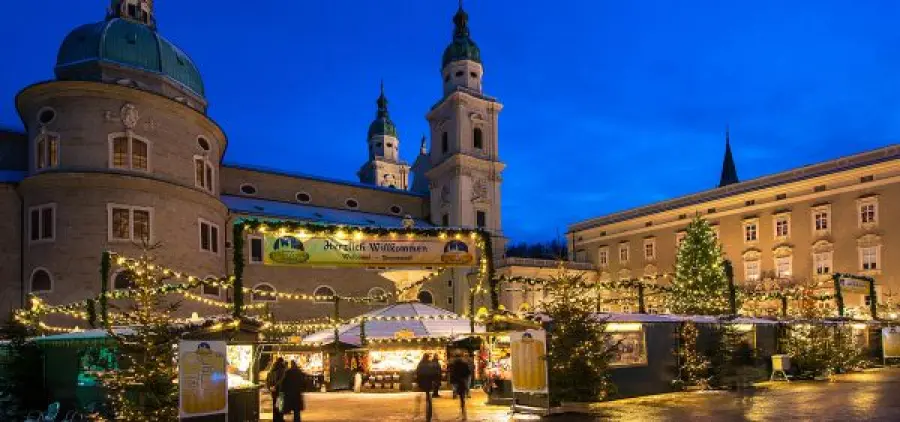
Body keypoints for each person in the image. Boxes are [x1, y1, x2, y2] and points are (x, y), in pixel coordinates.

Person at [448, 354, 473, 420]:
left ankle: (462, 413)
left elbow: (451, 374)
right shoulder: (464, 364)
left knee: (461, 398)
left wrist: (452, 381)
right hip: (462, 382)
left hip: (456, 382)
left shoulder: (453, 365)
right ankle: (463, 413)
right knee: (462, 398)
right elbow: (468, 373)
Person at [415, 353, 439, 421]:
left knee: (423, 396)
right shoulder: (430, 364)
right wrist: (434, 380)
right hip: (429, 382)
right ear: (428, 357)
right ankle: (429, 414)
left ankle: (419, 413)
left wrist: (418, 382)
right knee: (428, 397)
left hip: (422, 383)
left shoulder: (420, 364)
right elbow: (434, 373)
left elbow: (417, 373)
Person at [266, 358, 287, 422]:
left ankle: (275, 418)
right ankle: (280, 419)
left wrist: (270, 387)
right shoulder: (282, 370)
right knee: (280, 405)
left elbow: (267, 381)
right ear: (281, 362)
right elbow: (282, 380)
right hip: (280, 390)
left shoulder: (271, 371)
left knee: (275, 403)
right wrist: (276, 385)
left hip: (273, 391)